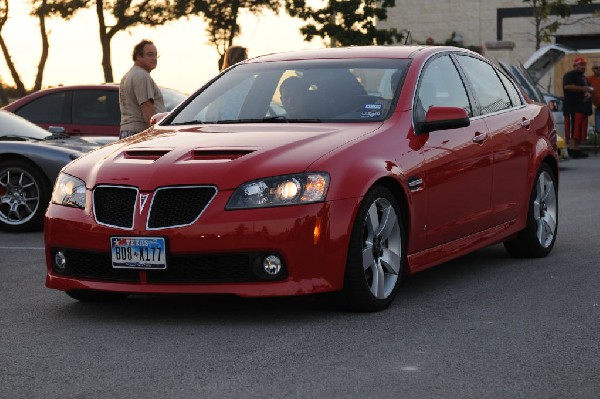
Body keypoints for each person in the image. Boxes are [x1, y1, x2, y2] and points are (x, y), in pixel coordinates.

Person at [118, 39, 165, 139]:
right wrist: (157, 133)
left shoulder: (128, 75)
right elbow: (146, 106)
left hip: (128, 132)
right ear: (138, 56)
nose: (154, 58)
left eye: (156, 55)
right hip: (139, 133)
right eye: (150, 54)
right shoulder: (142, 76)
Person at [562, 56, 593, 158]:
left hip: (582, 109)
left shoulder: (583, 78)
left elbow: (588, 88)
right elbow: (567, 86)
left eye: (584, 65)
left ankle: (577, 149)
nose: (583, 67)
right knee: (573, 130)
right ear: (575, 65)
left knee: (579, 131)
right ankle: (571, 149)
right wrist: (583, 88)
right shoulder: (570, 75)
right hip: (573, 108)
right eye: (580, 64)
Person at [587, 60, 600, 134]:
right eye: (596, 68)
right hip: (598, 107)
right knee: (598, 129)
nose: (598, 69)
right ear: (593, 69)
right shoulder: (589, 79)